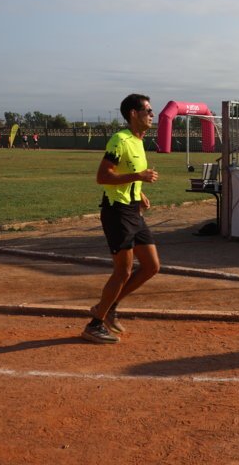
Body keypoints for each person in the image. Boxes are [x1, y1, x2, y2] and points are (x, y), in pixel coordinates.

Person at [81, 93, 160, 344]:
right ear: (133, 114)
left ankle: (109, 307)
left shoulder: (138, 141)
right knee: (123, 271)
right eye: (148, 110)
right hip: (117, 212)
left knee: (151, 266)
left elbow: (127, 174)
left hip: (133, 210)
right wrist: (138, 176)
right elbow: (103, 176)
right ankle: (95, 323)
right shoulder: (120, 139)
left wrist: (140, 191)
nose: (152, 114)